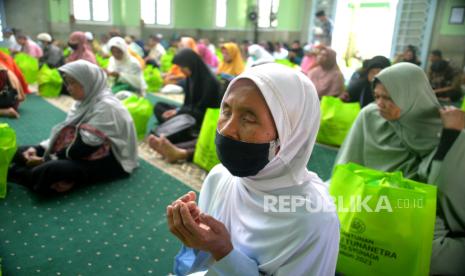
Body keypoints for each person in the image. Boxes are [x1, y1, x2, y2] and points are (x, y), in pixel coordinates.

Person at [167, 63, 339, 275]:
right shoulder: (221, 177)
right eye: (226, 111)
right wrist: (195, 235)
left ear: (290, 135)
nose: (227, 129)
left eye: (248, 119)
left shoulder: (314, 221)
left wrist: (223, 251)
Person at [334, 63, 465, 276]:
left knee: (434, 255)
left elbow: (439, 188)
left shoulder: (445, 127)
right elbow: (347, 166)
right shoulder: (370, 117)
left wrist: (450, 138)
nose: (380, 104)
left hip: (414, 209)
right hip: (370, 201)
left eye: (389, 98)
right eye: (377, 96)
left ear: (412, 95)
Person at [8, 60, 138, 194]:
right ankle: (23, 172)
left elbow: (85, 147)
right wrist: (41, 148)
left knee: (51, 170)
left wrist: (46, 159)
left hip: (110, 159)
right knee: (19, 151)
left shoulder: (107, 107)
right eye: (67, 82)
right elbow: (64, 134)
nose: (68, 87)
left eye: (73, 82)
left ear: (88, 82)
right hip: (78, 148)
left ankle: (18, 173)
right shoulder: (82, 102)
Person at [149, 49, 221, 162]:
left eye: (183, 67)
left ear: (191, 64)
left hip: (199, 121)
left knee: (188, 126)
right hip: (188, 114)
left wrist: (178, 112)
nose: (181, 71)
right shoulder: (190, 78)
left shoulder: (210, 82)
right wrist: (177, 110)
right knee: (159, 106)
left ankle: (171, 140)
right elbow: (187, 104)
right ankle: (170, 134)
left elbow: (202, 113)